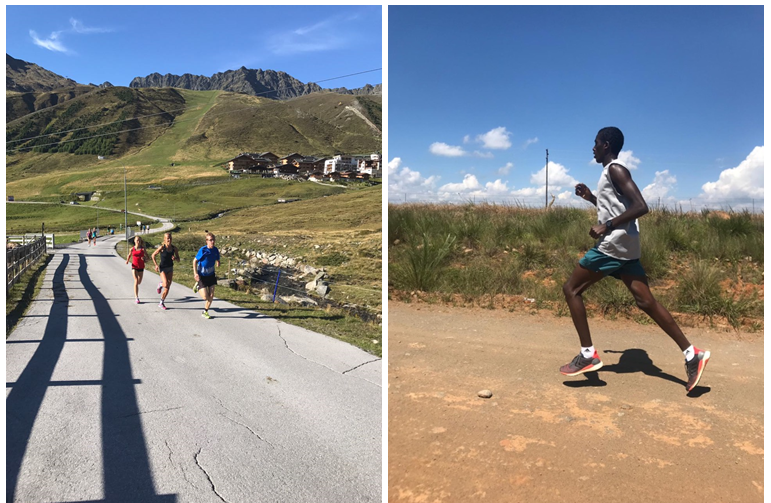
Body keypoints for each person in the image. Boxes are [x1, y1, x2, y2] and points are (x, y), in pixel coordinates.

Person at [561, 127, 710, 393]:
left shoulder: (616, 169)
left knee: (571, 289)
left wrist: (606, 225)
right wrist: (590, 198)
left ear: (606, 145)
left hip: (613, 246)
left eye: (595, 143)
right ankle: (692, 354)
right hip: (628, 248)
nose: (592, 148)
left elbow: (641, 206)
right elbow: (618, 207)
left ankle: (587, 354)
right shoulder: (609, 173)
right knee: (646, 301)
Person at [193, 232, 220, 319]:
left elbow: (217, 257)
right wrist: (195, 273)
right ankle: (198, 286)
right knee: (205, 297)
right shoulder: (203, 250)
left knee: (211, 295)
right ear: (207, 241)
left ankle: (205, 311)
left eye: (213, 240)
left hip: (211, 275)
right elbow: (194, 261)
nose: (212, 242)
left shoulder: (215, 250)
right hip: (202, 276)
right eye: (210, 240)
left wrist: (218, 262)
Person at [152, 232, 180, 310]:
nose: (169, 239)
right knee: (165, 284)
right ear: (164, 239)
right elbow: (153, 255)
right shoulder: (162, 248)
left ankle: (161, 302)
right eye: (167, 238)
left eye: (170, 238)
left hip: (170, 268)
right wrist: (156, 265)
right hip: (163, 268)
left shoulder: (174, 249)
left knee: (167, 287)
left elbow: (178, 259)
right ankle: (160, 284)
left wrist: (175, 259)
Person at [125, 235, 151, 304]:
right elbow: (129, 255)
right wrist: (127, 261)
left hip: (141, 267)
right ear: (134, 241)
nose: (138, 242)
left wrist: (145, 259)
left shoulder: (143, 249)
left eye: (139, 240)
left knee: (139, 282)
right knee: (136, 281)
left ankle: (136, 295)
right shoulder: (132, 249)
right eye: (137, 240)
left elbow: (148, 258)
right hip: (134, 266)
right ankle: (136, 297)